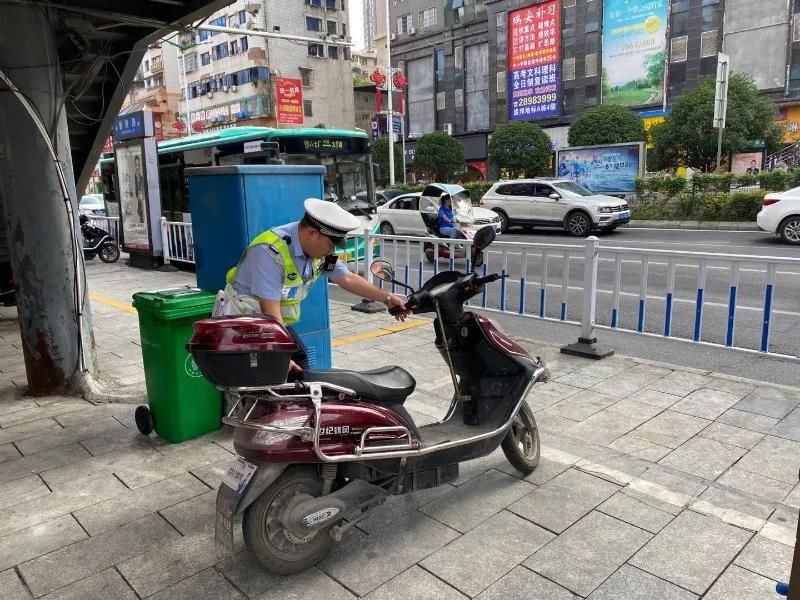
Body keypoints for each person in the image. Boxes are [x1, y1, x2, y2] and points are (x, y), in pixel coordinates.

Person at [215, 198, 410, 372]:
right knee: (268, 384)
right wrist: (280, 355)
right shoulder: (269, 252)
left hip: (271, 324)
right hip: (243, 329)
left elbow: (346, 278)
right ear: (311, 233)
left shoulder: (320, 253)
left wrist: (386, 298)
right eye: (331, 244)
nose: (332, 250)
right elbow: (270, 308)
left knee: (301, 368)